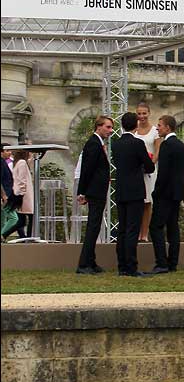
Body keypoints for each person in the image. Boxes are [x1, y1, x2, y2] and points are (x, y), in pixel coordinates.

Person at [112, 112, 155, 277]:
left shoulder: (116, 144)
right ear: (136, 125)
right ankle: (131, 266)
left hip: (121, 189)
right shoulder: (138, 143)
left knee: (122, 229)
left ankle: (121, 265)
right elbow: (149, 166)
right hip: (135, 190)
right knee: (132, 229)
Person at [148, 115, 184, 274]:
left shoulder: (166, 146)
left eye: (160, 125)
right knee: (173, 228)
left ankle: (161, 263)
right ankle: (172, 263)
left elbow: (163, 173)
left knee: (155, 227)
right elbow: (182, 173)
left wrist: (156, 192)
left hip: (164, 194)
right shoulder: (181, 146)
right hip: (176, 194)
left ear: (168, 128)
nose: (157, 128)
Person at [75, 115, 114, 274]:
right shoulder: (93, 144)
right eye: (108, 127)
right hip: (94, 191)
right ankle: (84, 264)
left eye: (111, 127)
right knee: (93, 226)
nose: (111, 131)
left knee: (95, 226)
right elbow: (87, 169)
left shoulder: (97, 143)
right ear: (99, 127)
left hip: (97, 190)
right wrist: (82, 192)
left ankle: (90, 261)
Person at [133, 102, 161, 242]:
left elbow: (157, 152)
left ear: (149, 113)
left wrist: (149, 166)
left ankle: (144, 234)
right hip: (135, 172)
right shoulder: (134, 131)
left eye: (144, 113)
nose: (142, 116)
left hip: (149, 172)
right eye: (139, 113)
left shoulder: (155, 131)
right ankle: (135, 232)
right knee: (136, 202)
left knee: (147, 202)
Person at [11, 150, 34, 239]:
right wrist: (22, 192)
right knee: (30, 217)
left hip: (21, 193)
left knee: (22, 220)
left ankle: (25, 237)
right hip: (24, 194)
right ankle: (28, 237)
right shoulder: (22, 162)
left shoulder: (19, 162)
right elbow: (22, 179)